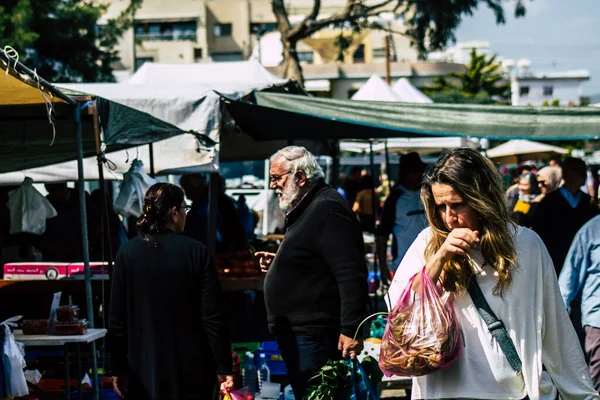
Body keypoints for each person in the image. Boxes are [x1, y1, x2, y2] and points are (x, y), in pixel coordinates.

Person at [386, 148, 597, 400]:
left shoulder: (525, 244)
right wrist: (440, 258)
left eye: (457, 205)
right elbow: (399, 308)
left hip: (515, 392)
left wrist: (582, 393)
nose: (449, 218)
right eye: (440, 206)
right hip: (445, 392)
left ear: (481, 200)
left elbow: (554, 326)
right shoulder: (428, 243)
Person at [255, 146, 367, 399]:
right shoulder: (308, 205)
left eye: (277, 178)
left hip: (314, 333)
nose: (273, 185)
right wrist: (283, 262)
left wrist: (351, 328)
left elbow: (351, 272)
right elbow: (317, 258)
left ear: (301, 177)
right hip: (300, 331)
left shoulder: (327, 208)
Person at [109, 183, 233, 399]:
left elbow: (116, 320)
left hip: (144, 367)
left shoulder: (126, 253)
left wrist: (118, 368)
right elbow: (213, 316)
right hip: (192, 366)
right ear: (174, 213)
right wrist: (223, 366)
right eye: (185, 208)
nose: (186, 214)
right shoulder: (196, 252)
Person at [532, 158, 598, 274]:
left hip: (584, 262)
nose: (583, 178)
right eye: (579, 173)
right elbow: (540, 234)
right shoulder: (548, 203)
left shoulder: (589, 204)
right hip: (556, 262)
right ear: (567, 175)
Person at [560, 215, 600, 391]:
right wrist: (559, 317)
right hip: (597, 319)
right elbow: (570, 274)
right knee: (597, 377)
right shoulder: (592, 229)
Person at [376, 152, 428, 285]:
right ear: (405, 174)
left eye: (419, 171)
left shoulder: (428, 195)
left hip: (430, 264)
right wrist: (383, 268)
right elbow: (382, 236)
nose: (418, 175)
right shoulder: (394, 199)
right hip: (403, 268)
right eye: (414, 172)